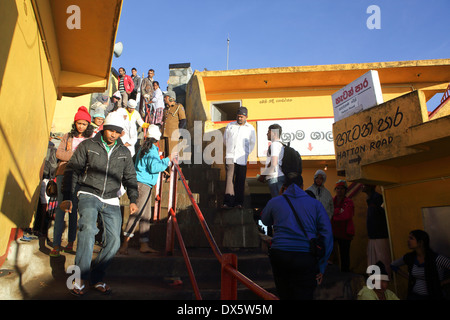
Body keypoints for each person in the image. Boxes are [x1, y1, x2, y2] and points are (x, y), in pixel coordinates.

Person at [60, 111, 139, 296]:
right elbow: (72, 170)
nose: (113, 134)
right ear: (104, 129)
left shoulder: (124, 152)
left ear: (121, 133)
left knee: (114, 241)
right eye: (110, 130)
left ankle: (96, 278)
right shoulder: (88, 145)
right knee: (87, 228)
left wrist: (133, 199)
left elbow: (130, 177)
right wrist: (67, 196)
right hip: (88, 192)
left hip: (111, 198)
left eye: (117, 131)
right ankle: (79, 278)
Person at [261, 173, 333, 300]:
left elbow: (265, 220)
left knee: (285, 295)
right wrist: (321, 266)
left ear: (284, 186)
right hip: (305, 257)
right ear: (302, 186)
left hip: (280, 255)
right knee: (304, 295)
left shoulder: (275, 202)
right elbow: (327, 235)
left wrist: (279, 197)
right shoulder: (315, 204)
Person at [119, 125, 174, 255]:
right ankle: (124, 245)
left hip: (144, 184)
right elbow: (154, 167)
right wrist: (168, 160)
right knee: (137, 214)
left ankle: (144, 244)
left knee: (146, 215)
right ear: (157, 139)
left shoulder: (143, 148)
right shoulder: (152, 150)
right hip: (143, 184)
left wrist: (162, 168)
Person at [50, 106, 94, 257]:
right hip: (64, 174)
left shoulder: (89, 140)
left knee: (74, 209)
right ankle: (56, 244)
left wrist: (72, 156)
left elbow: (89, 158)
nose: (81, 126)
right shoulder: (68, 136)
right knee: (61, 208)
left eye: (84, 124)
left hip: (80, 177)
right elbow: (58, 153)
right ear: (75, 123)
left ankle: (70, 242)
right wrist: (76, 156)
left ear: (88, 125)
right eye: (79, 123)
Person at [391, 229, 450, 300]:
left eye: (411, 238)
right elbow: (393, 265)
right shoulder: (410, 257)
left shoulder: (436, 259)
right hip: (414, 296)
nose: (408, 241)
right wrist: (409, 277)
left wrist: (443, 282)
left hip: (434, 296)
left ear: (420, 242)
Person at [222, 106, 256, 209]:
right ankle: (228, 202)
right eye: (238, 116)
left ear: (246, 117)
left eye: (241, 117)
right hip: (230, 156)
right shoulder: (230, 126)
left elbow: (252, 143)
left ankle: (238, 203)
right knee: (229, 180)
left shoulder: (250, 128)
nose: (240, 118)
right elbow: (225, 140)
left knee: (240, 181)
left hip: (242, 158)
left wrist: (245, 154)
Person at [362, 184, 392, 276]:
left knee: (382, 260)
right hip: (373, 235)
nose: (362, 186)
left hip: (380, 235)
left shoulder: (378, 198)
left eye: (364, 184)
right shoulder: (370, 199)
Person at [332, 180, 355, 272]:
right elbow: (328, 213)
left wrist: (334, 214)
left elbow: (346, 215)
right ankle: (335, 273)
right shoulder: (332, 201)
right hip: (333, 232)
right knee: (333, 254)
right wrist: (338, 211)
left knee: (344, 255)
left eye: (342, 189)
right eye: (338, 188)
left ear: (345, 190)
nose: (339, 190)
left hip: (345, 233)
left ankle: (345, 275)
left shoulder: (349, 202)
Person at [257, 124, 285, 198]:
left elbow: (273, 162)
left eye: (268, 132)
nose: (267, 134)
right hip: (279, 176)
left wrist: (263, 176)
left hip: (275, 177)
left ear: (274, 133)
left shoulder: (275, 145)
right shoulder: (281, 145)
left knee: (278, 202)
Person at [161, 91, 186, 160]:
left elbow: (183, 120)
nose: (164, 99)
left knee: (172, 154)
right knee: (163, 154)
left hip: (172, 135)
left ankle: (171, 170)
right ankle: (165, 170)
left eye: (166, 97)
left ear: (171, 98)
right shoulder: (165, 109)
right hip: (164, 134)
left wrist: (179, 132)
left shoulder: (178, 107)